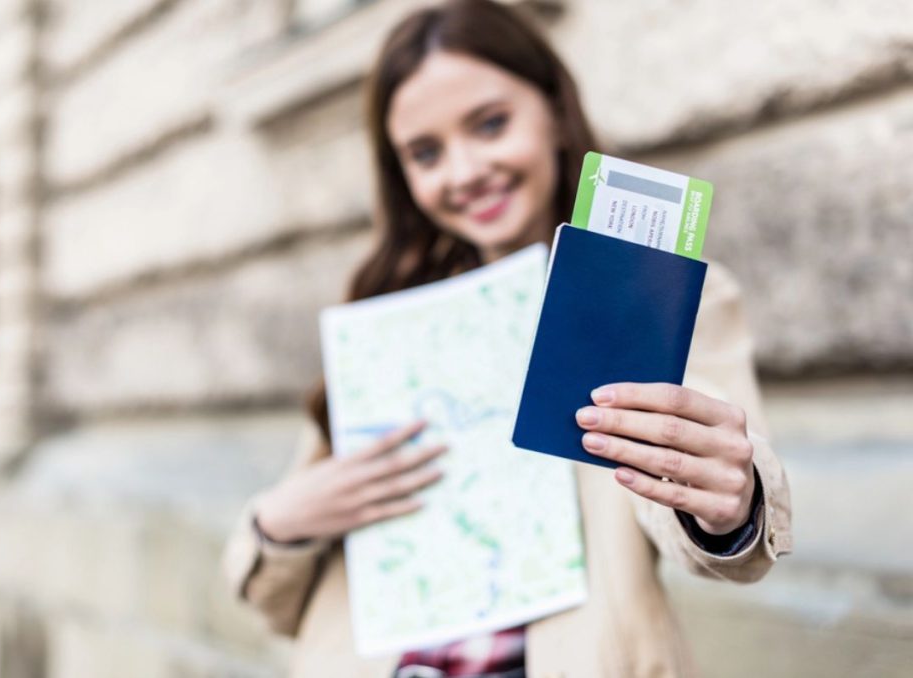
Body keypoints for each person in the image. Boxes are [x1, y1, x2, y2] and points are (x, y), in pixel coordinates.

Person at [224, 1, 793, 676]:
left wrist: (730, 504)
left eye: (490, 124)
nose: (463, 171)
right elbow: (273, 600)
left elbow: (717, 511)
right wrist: (279, 523)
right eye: (425, 152)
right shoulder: (394, 322)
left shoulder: (656, 295)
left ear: (554, 110)